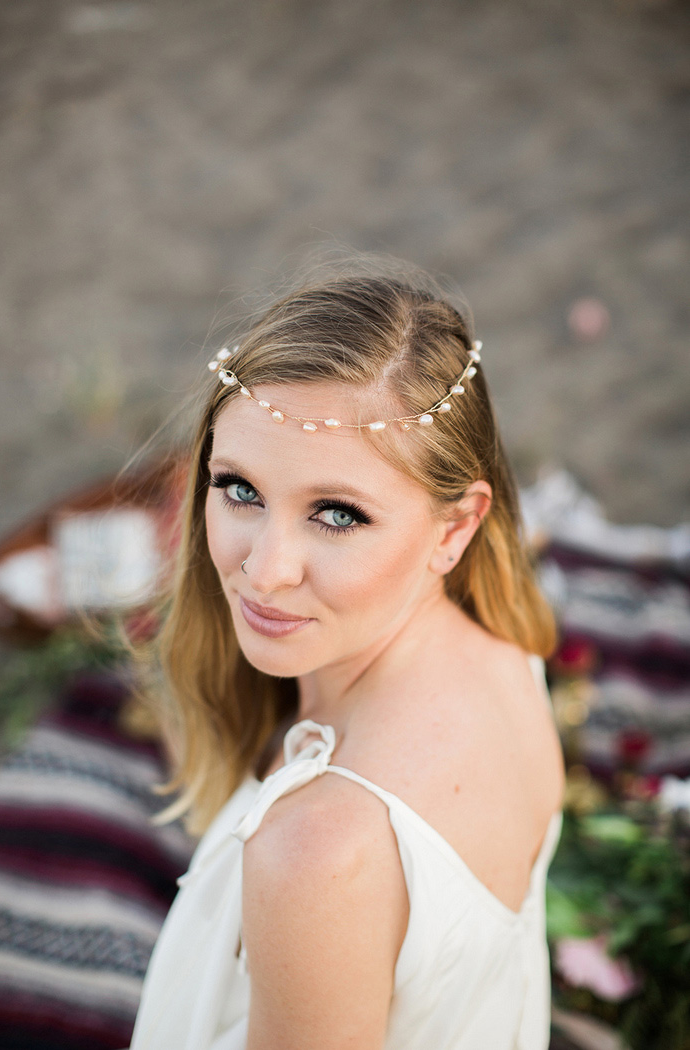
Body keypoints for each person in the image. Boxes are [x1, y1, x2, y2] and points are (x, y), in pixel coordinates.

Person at [129, 266, 566, 1050]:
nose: (264, 570)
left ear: (454, 529)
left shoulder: (319, 850)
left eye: (336, 514)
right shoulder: (508, 657)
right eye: (239, 489)